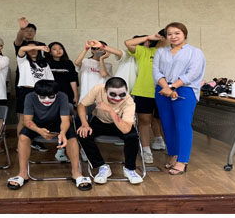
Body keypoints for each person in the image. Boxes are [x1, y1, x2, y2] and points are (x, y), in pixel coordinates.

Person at [6, 80, 92, 191]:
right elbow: (27, 120)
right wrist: (39, 130)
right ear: (36, 94)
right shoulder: (30, 97)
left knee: (72, 139)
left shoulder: (62, 96)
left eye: (51, 97)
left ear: (56, 93)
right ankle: (23, 173)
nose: (47, 100)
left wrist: (62, 133)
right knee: (23, 137)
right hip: (36, 125)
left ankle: (76, 172)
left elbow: (65, 120)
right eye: (42, 97)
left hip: (58, 123)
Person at [153, 22, 206, 175]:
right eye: (169, 34)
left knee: (182, 125)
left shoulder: (195, 52)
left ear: (184, 34)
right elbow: (156, 72)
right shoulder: (161, 52)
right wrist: (166, 87)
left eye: (177, 33)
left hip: (185, 89)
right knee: (167, 124)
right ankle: (173, 155)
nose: (173, 36)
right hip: (162, 89)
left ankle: (182, 161)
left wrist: (173, 87)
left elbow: (193, 73)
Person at [76, 77, 143, 184]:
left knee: (132, 137)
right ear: (105, 90)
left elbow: (126, 129)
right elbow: (81, 105)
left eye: (122, 94)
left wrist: (110, 110)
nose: (117, 98)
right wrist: (84, 124)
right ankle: (102, 166)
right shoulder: (98, 89)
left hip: (120, 123)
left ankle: (130, 169)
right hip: (100, 120)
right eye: (113, 94)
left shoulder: (129, 101)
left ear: (126, 91)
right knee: (83, 134)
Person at [124, 31, 165, 164]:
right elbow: (128, 43)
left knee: (164, 121)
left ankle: (172, 150)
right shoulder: (145, 52)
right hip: (144, 91)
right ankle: (146, 150)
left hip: (164, 92)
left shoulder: (170, 53)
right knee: (144, 120)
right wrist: (148, 37)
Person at [15, 41, 54, 151]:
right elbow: (21, 49)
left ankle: (36, 142)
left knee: (37, 119)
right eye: (30, 49)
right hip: (26, 91)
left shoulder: (44, 64)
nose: (33, 50)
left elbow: (50, 81)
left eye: (35, 49)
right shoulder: (23, 61)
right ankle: (20, 144)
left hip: (41, 93)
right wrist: (39, 47)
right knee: (23, 119)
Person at [47, 41, 79, 162]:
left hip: (67, 96)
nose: (58, 51)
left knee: (68, 121)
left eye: (60, 48)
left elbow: (73, 80)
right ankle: (60, 148)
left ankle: (64, 149)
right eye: (54, 49)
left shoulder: (68, 63)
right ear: (50, 52)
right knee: (57, 120)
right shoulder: (45, 63)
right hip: (50, 97)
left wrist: (75, 95)